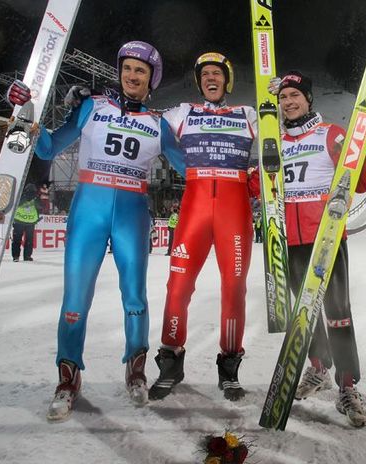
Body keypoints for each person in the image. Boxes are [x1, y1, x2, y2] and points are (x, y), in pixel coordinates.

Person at [7, 40, 186, 421]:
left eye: (140, 71)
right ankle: (68, 379)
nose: (132, 76)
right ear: (119, 73)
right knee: (75, 299)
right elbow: (49, 148)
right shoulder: (92, 107)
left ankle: (135, 371)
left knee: (135, 297)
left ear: (152, 79)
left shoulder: (159, 124)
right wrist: (25, 110)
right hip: (89, 208)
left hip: (133, 212)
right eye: (127, 69)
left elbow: (191, 169)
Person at [272, 71, 366, 427]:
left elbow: (360, 182)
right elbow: (259, 185)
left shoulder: (330, 133)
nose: (289, 102)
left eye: (295, 95)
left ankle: (347, 385)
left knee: (337, 312)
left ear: (308, 99)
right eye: (283, 96)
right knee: (304, 313)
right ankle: (318, 366)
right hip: (289, 242)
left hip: (328, 240)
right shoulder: (276, 140)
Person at [149, 52, 257, 402]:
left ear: (228, 80)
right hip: (195, 210)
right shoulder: (181, 113)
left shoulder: (249, 115)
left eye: (218, 73)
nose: (211, 78)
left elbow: (286, 132)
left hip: (234, 212)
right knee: (177, 287)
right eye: (205, 74)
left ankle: (229, 366)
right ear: (199, 82)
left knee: (234, 289)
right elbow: (136, 118)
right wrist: (89, 100)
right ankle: (170, 360)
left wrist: (278, 93)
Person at [11, 183, 41, 262]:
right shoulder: (36, 197)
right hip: (31, 222)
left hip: (18, 221)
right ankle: (27, 256)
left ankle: (16, 256)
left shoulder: (20, 196)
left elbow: (15, 205)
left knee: (17, 240)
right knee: (29, 240)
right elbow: (40, 207)